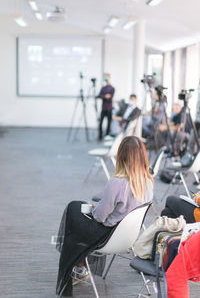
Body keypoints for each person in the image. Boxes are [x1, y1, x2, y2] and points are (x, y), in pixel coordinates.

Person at [56, 136, 154, 296]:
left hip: (106, 236)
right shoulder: (148, 182)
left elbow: (100, 218)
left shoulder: (117, 182)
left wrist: (95, 210)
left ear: (121, 156)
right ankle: (79, 266)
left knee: (73, 208)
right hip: (128, 237)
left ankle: (77, 267)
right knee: (78, 213)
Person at [96, 73, 115, 140]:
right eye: (105, 77)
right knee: (100, 122)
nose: (106, 79)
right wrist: (105, 96)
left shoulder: (112, 88)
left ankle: (107, 135)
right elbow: (98, 96)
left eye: (107, 77)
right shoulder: (103, 88)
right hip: (103, 108)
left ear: (109, 78)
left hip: (109, 108)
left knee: (109, 123)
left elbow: (110, 97)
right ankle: (100, 136)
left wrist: (104, 96)